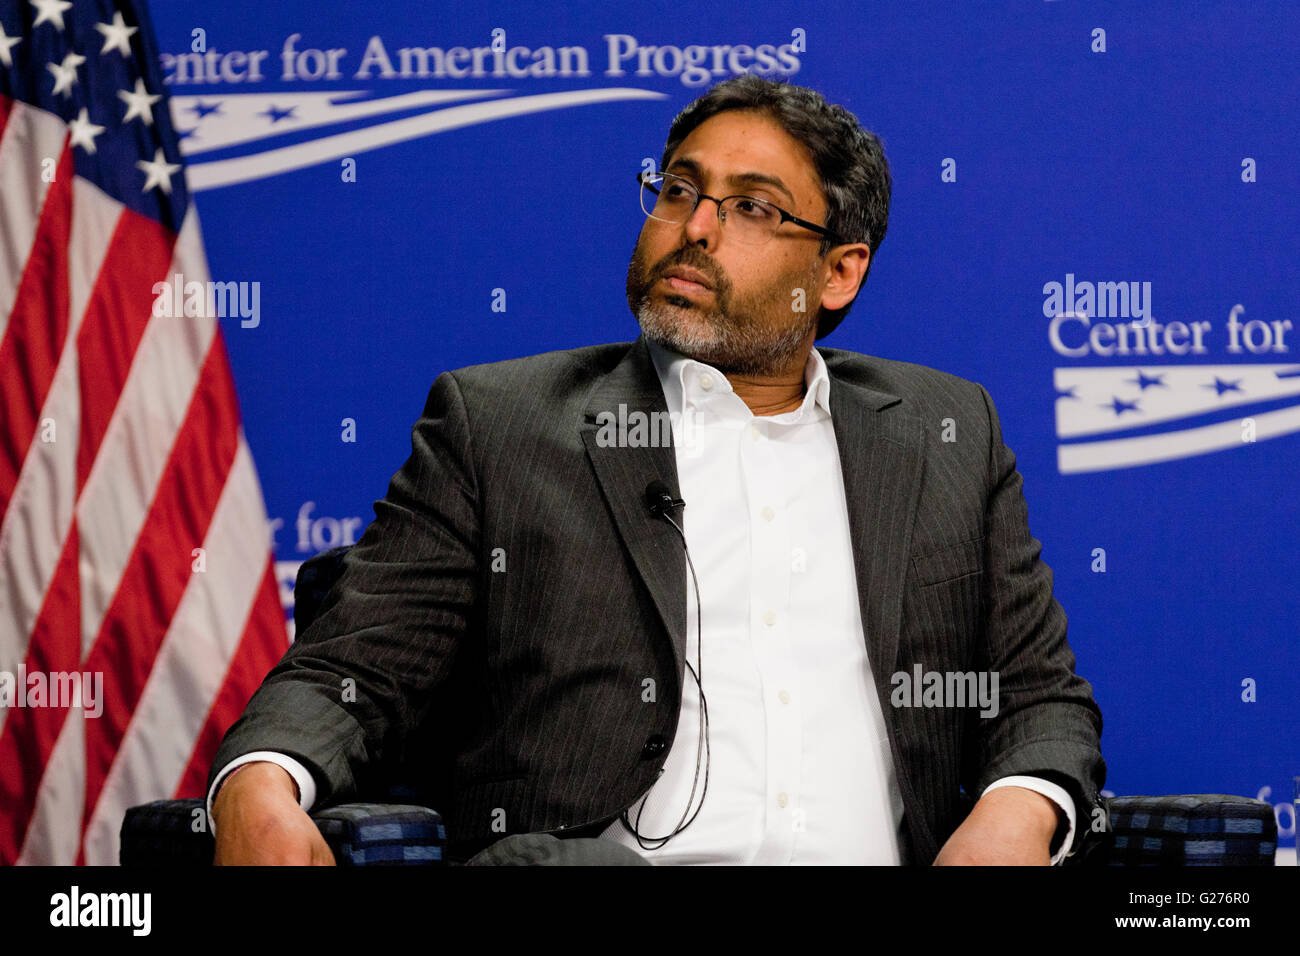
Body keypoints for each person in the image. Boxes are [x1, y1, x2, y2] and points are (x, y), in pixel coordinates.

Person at [208, 74, 1106, 866]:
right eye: (679, 191)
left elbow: (1040, 697)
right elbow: (352, 671)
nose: (697, 228)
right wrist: (257, 785)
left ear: (838, 273)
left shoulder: (946, 433)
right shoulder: (501, 426)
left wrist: (1018, 812)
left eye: (753, 207)